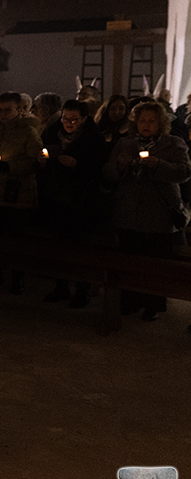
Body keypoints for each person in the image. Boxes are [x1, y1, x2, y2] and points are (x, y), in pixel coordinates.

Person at [103, 100, 191, 321]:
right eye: (142, 120)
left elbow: (184, 172)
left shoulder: (173, 143)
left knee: (155, 263)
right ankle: (130, 301)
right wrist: (120, 166)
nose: (146, 124)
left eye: (151, 120)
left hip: (158, 214)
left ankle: (153, 303)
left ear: (160, 123)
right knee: (130, 260)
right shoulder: (126, 143)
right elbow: (108, 171)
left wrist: (159, 165)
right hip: (129, 212)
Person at [38, 99, 105, 308]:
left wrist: (78, 165)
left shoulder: (93, 138)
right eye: (65, 118)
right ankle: (61, 286)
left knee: (80, 249)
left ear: (84, 119)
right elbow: (41, 156)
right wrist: (42, 161)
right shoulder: (51, 133)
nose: (68, 122)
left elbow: (101, 169)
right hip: (56, 197)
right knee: (59, 246)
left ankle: (82, 290)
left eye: (74, 119)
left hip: (81, 201)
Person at [0, 91, 42, 294]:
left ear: (18, 110)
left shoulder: (28, 132)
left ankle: (17, 277)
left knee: (16, 240)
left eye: (8, 110)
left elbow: (35, 161)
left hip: (17, 194)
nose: (3, 115)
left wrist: (11, 167)